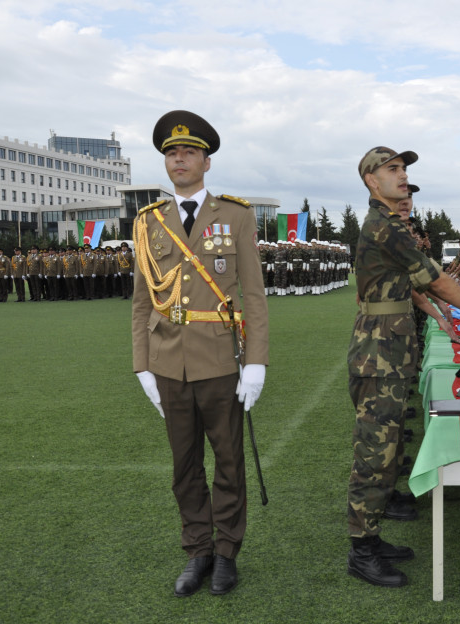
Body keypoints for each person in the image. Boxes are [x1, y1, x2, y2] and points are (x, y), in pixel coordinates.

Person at [346, 146, 460, 588]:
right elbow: (434, 279)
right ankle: (362, 549)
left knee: (386, 446)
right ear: (371, 180)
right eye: (393, 169)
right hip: (379, 353)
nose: (402, 176)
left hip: (388, 347)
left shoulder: (387, 223)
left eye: (403, 168)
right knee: (374, 451)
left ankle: (371, 535)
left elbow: (420, 285)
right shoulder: (385, 226)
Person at [132, 110, 269, 597]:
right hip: (168, 361)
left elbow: (254, 294)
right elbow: (142, 301)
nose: (180, 159)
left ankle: (227, 551)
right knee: (184, 466)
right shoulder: (149, 222)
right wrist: (142, 365)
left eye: (189, 152)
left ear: (206, 162)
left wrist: (256, 361)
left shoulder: (235, 215)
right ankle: (198, 551)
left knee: (228, 460)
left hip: (219, 360)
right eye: (172, 153)